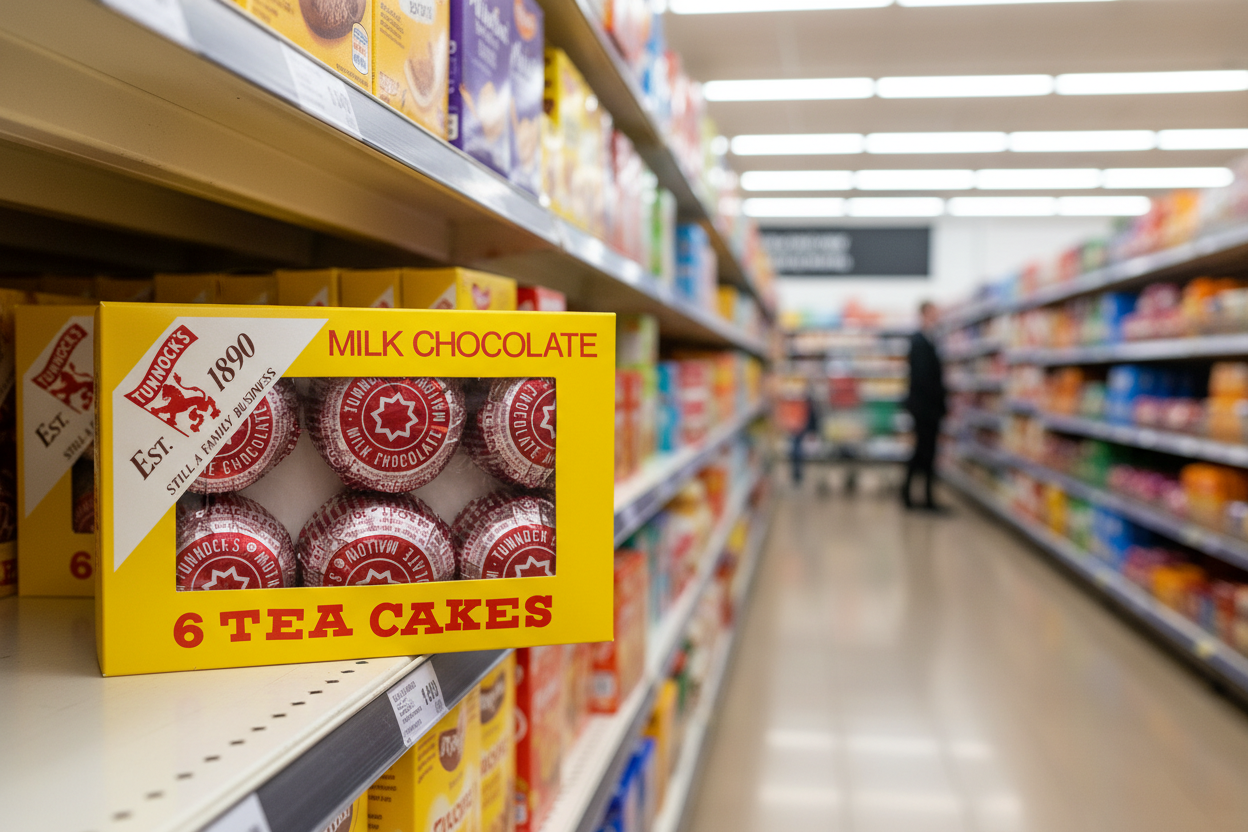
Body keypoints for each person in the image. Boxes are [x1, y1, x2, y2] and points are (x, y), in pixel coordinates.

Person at [902, 301, 949, 512]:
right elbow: (923, 379)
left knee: (923, 452)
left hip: (926, 408)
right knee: (925, 452)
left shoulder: (928, 339)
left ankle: (913, 495)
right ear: (924, 314)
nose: (937, 316)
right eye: (934, 312)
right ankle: (922, 498)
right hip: (925, 409)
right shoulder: (920, 341)